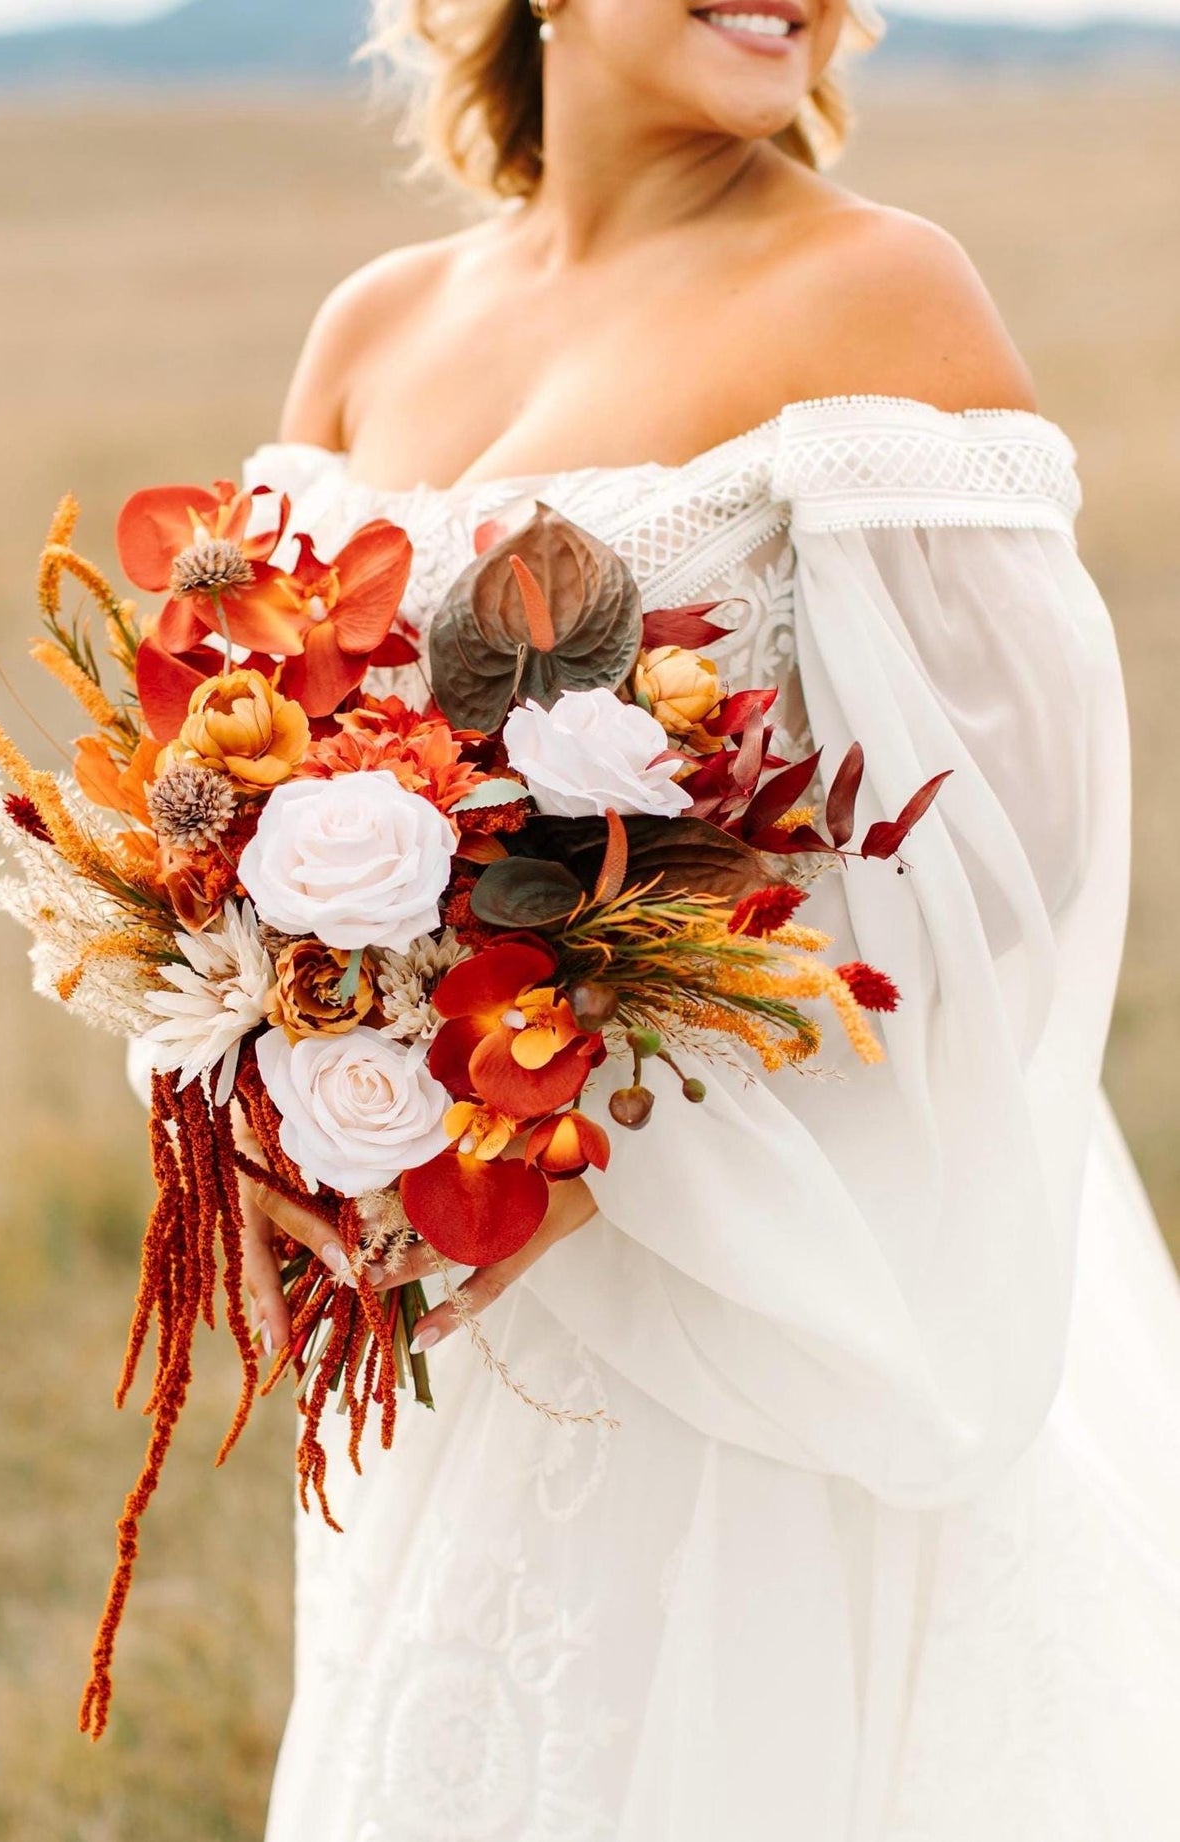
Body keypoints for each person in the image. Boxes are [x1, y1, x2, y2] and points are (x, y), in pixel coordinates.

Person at [229, 4, 1180, 1835]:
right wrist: (260, 1083)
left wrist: (587, 1143)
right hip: (463, 1330)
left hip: (749, 1293)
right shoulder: (371, 328)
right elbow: (249, 770)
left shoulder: (874, 291)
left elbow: (1012, 855)